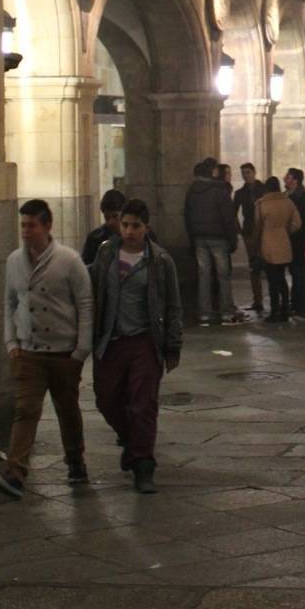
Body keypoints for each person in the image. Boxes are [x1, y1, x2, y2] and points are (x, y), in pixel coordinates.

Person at [0, 199, 93, 499]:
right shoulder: (13, 261)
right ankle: (15, 473)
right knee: (25, 411)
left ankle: (75, 460)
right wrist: (11, 343)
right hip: (28, 353)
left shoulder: (69, 260)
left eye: (31, 225)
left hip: (63, 352)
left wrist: (81, 350)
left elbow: (85, 304)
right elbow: (9, 303)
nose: (25, 231)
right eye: (22, 224)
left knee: (68, 410)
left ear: (47, 226)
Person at [90, 197, 182, 493]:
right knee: (106, 398)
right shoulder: (106, 254)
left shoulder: (160, 261)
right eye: (125, 224)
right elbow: (92, 291)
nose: (129, 231)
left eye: (135, 225)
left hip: (145, 340)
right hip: (112, 340)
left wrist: (172, 346)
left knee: (143, 404)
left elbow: (172, 306)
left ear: (146, 227)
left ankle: (143, 465)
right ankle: (132, 441)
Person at [184, 157, 240, 325]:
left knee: (204, 275)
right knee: (223, 275)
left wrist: (192, 236)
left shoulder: (192, 191)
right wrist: (233, 238)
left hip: (199, 238)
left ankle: (205, 313)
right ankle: (226, 312)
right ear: (211, 172)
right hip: (219, 237)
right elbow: (228, 216)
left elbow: (186, 215)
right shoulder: (220, 189)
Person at [251, 175, 301, 322]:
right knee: (282, 278)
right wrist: (286, 231)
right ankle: (285, 309)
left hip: (267, 245)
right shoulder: (288, 202)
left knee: (272, 280)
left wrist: (256, 244)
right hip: (284, 243)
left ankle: (274, 311)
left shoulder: (261, 204)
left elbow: (257, 226)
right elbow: (297, 223)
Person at [234, 161, 266, 315]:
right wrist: (238, 228)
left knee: (268, 264)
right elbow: (233, 211)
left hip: (265, 231)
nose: (245, 176)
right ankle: (258, 300)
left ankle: (272, 298)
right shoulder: (240, 193)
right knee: (254, 265)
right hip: (249, 231)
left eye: (247, 172)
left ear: (254, 172)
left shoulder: (264, 189)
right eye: (243, 173)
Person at [284, 168, 305, 317]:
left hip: (300, 241)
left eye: (288, 177)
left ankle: (302, 305)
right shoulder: (286, 196)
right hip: (289, 240)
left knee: (300, 274)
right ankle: (295, 303)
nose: (285, 178)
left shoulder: (304, 198)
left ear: (295, 180)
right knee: (294, 273)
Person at [81, 188, 126, 267]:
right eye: (107, 218)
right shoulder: (95, 238)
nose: (110, 222)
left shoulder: (137, 236)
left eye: (115, 216)